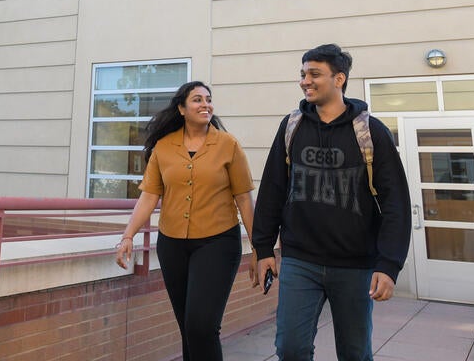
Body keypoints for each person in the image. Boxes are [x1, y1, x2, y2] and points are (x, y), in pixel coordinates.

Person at [251, 44, 411, 361]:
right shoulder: (291, 127)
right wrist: (264, 248)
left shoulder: (370, 131)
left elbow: (396, 203)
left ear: (339, 79)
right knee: (290, 349)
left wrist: (388, 264)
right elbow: (272, 189)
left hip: (356, 265)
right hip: (300, 260)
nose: (305, 81)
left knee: (354, 353)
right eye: (302, 74)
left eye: (314, 74)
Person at [115, 80, 255, 361]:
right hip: (173, 245)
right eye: (197, 99)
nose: (205, 104)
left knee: (202, 326)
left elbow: (243, 199)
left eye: (208, 99)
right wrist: (128, 235)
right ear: (181, 108)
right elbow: (149, 196)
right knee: (188, 328)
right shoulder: (164, 148)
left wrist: (259, 249)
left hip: (218, 243)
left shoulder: (228, 145)